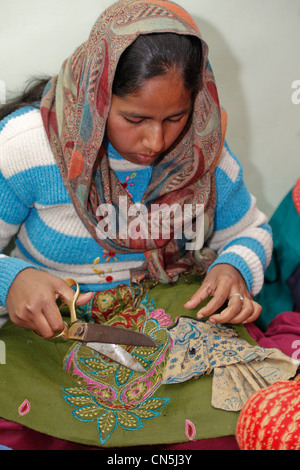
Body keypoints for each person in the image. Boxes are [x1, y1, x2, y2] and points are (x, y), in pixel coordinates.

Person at [0, 0, 272, 340]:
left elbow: (251, 232)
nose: (156, 141)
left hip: (170, 323)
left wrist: (234, 269)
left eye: (175, 117)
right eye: (135, 119)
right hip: (53, 326)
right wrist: (11, 279)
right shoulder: (27, 149)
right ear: (95, 98)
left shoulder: (202, 151)